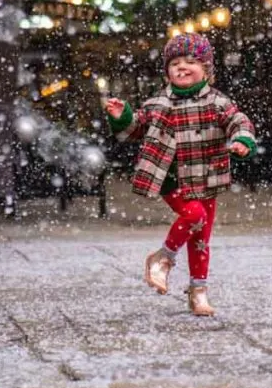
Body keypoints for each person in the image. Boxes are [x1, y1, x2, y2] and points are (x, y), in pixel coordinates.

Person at [106, 34, 256, 316]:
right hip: (170, 178)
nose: (182, 67)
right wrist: (122, 115)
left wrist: (243, 140)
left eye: (191, 61)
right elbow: (135, 128)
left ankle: (198, 291)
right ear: (167, 71)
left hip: (205, 176)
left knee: (201, 238)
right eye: (175, 63)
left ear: (207, 69)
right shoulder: (159, 103)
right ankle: (162, 259)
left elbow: (238, 121)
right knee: (195, 216)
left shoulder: (217, 103)